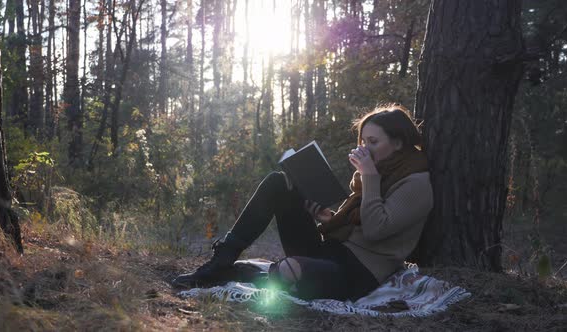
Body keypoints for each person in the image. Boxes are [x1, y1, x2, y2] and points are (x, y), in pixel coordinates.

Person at [172, 104, 433, 301]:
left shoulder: (415, 184)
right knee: (278, 183)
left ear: (398, 142)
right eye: (363, 141)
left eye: (373, 142)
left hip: (357, 274)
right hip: (330, 250)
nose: (365, 148)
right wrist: (330, 219)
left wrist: (369, 176)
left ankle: (259, 274)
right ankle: (222, 261)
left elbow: (376, 230)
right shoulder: (377, 171)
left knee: (292, 269)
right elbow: (360, 220)